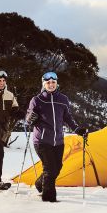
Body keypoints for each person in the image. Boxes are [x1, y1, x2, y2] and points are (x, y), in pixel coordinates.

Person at [25, 71, 88, 202]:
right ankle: (49, 199)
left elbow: (67, 117)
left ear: (56, 83)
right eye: (48, 82)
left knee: (57, 167)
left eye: (53, 82)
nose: (51, 84)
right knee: (50, 169)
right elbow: (28, 119)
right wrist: (31, 118)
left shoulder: (63, 99)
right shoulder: (37, 100)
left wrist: (77, 129)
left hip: (58, 141)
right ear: (44, 84)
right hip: (42, 140)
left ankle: (39, 183)